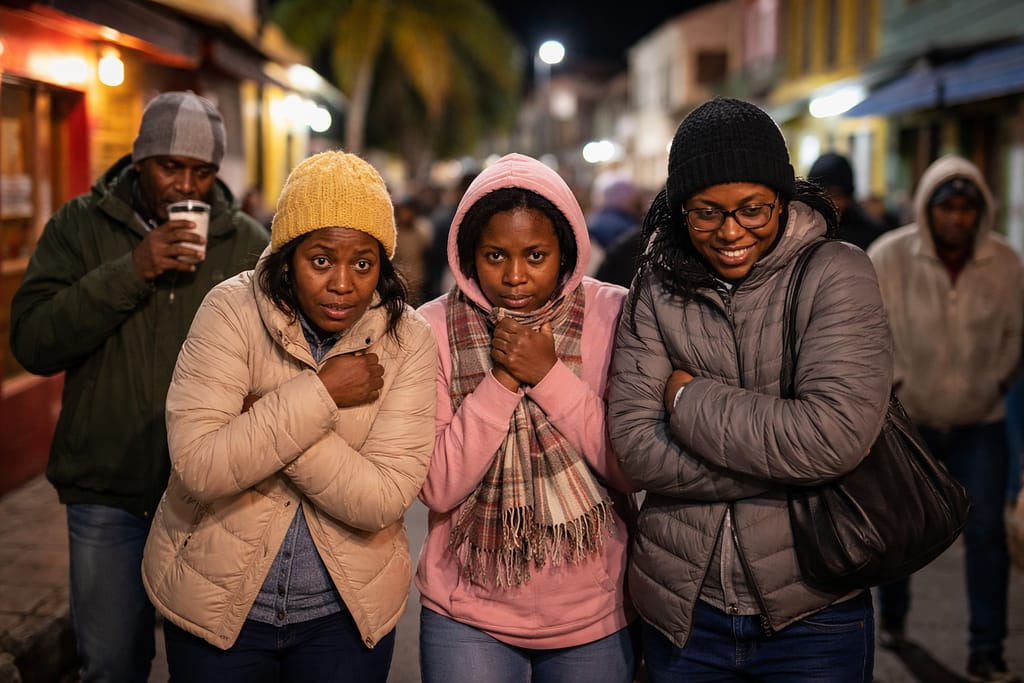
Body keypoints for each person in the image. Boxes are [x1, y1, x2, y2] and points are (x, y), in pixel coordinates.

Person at [608, 98, 893, 682]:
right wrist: (796, 463)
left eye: (753, 209)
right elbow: (634, 447)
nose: (731, 231)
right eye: (706, 212)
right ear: (679, 208)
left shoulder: (836, 273)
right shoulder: (656, 287)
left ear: (783, 198)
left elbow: (833, 437)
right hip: (685, 612)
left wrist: (687, 402)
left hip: (814, 609)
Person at [140, 150, 438, 681]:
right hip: (219, 607)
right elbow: (200, 467)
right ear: (288, 255)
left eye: (363, 263)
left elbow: (383, 498)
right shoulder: (230, 311)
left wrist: (272, 418)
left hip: (342, 618)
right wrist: (322, 394)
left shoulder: (408, 340)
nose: (343, 283)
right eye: (321, 260)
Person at [8, 91, 269, 682]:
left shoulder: (248, 242)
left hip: (211, 495)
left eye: (201, 172)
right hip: (108, 488)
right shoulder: (80, 226)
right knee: (111, 664)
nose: (185, 186)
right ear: (139, 159)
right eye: (169, 167)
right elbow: (32, 342)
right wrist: (133, 270)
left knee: (207, 664)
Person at [414, 152, 638, 683]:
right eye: (495, 256)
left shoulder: (614, 314)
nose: (515, 277)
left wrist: (548, 373)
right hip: (466, 611)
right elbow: (439, 485)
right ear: (468, 256)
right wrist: (504, 380)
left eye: (535, 255)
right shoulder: (433, 327)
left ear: (566, 252)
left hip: (593, 613)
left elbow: (630, 467)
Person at [868, 155, 1024, 683]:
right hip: (908, 419)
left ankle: (987, 647)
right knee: (899, 528)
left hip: (981, 421)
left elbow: (1015, 334)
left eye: (967, 208)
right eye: (947, 207)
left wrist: (996, 382)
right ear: (928, 209)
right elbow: (867, 329)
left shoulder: (1004, 261)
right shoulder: (890, 255)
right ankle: (893, 614)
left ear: (982, 211)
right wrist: (895, 385)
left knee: (986, 535)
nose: (957, 218)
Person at [808, 151, 887, 250]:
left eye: (837, 195)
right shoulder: (796, 232)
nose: (831, 202)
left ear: (848, 197)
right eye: (824, 194)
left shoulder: (869, 234)